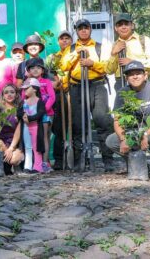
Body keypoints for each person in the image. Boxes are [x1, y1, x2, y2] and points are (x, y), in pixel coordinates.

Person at [59, 19, 115, 171]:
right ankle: (79, 161)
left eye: (86, 28)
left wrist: (92, 64)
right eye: (80, 28)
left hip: (97, 86)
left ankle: (108, 160)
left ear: (90, 30)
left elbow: (107, 67)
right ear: (76, 31)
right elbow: (63, 66)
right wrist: (75, 55)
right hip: (76, 87)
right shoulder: (70, 49)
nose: (83, 31)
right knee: (78, 124)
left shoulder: (99, 47)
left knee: (103, 121)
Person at [107, 13, 150, 90]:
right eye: (120, 25)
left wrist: (133, 63)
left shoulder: (144, 40)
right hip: (120, 83)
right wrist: (113, 54)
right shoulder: (114, 45)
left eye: (126, 24)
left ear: (132, 25)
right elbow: (109, 71)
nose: (123, 27)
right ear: (116, 28)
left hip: (141, 81)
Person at [21, 58, 56, 173]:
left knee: (44, 137)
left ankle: (45, 162)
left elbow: (52, 97)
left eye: (38, 67)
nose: (35, 70)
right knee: (30, 140)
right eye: (32, 68)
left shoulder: (46, 82)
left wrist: (42, 110)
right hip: (30, 115)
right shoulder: (27, 82)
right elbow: (23, 97)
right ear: (29, 71)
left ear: (42, 70)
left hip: (45, 114)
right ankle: (32, 163)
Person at [0, 84, 24, 174]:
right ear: (2, 96)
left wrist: (11, 149)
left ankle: (15, 165)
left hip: (16, 143)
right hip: (2, 142)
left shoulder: (19, 110)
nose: (9, 94)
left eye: (12, 92)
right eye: (6, 93)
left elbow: (18, 132)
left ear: (16, 94)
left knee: (13, 160)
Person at [49, 30, 73, 170]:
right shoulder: (53, 58)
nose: (65, 41)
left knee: (75, 126)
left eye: (67, 38)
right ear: (59, 42)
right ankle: (59, 159)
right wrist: (56, 82)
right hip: (59, 94)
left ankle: (76, 156)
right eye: (62, 38)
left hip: (73, 91)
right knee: (59, 127)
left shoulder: (76, 54)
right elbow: (50, 75)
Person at [19, 78, 49, 173]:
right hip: (26, 127)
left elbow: (40, 113)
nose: (25, 90)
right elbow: (19, 112)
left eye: (27, 88)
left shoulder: (39, 102)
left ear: (35, 89)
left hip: (36, 127)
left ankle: (38, 166)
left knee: (37, 147)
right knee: (28, 146)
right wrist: (22, 115)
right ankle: (27, 166)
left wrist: (30, 118)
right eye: (25, 89)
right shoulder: (23, 102)